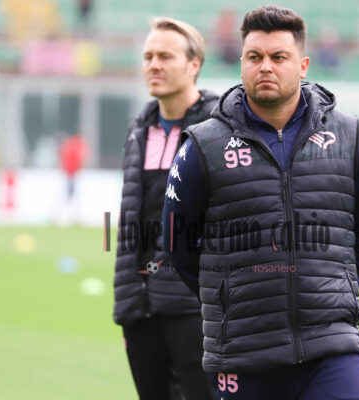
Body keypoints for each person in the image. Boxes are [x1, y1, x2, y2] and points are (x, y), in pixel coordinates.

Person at [163, 5, 359, 400]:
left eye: (279, 57)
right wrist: (227, 296)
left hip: (331, 348)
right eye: (255, 57)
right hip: (243, 352)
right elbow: (177, 242)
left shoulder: (350, 137)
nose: (265, 66)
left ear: (303, 66)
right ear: (242, 65)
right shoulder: (203, 145)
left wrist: (335, 288)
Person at [112, 17, 218, 400]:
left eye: (165, 56)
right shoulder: (139, 130)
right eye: (148, 56)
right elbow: (132, 217)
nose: (154, 65)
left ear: (194, 65)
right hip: (141, 306)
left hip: (194, 306)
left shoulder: (219, 129)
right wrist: (128, 301)